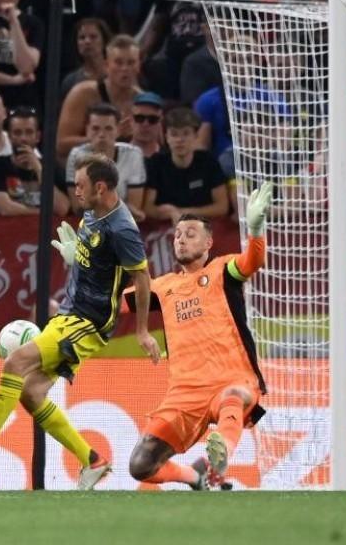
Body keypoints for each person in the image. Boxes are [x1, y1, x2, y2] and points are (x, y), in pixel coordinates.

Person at [0, 154, 158, 490]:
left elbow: (143, 279)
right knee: (30, 393)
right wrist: (79, 260)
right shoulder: (92, 213)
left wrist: (144, 330)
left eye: (81, 185)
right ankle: (93, 461)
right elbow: (100, 264)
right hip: (71, 313)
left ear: (100, 187)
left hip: (87, 323)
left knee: (15, 363)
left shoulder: (122, 229)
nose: (76, 190)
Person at [125, 184, 273, 490]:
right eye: (178, 235)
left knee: (234, 396)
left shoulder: (222, 270)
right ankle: (197, 477)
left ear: (209, 242)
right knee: (140, 466)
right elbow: (117, 304)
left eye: (190, 233)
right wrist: (84, 270)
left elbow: (252, 263)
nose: (181, 239)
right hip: (183, 395)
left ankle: (222, 457)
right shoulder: (163, 286)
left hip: (230, 379)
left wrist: (256, 230)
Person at [57, 35, 144, 162]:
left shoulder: (144, 102)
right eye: (118, 62)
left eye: (131, 63)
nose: (125, 68)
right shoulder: (84, 93)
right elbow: (61, 145)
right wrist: (108, 136)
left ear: (138, 66)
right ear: (106, 65)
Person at [144, 107, 229, 223]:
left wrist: (181, 213)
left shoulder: (209, 161)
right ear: (166, 137)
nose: (180, 140)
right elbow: (148, 208)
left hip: (204, 225)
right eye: (174, 134)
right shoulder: (156, 163)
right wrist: (171, 214)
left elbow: (222, 207)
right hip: (164, 227)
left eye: (186, 133)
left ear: (195, 136)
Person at [0, 106, 69, 216]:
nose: (23, 138)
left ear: (37, 136)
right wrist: (46, 214)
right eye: (17, 133)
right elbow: (5, 209)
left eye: (29, 132)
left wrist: (38, 168)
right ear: (9, 136)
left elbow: (62, 209)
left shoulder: (50, 167)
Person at [66, 103, 145, 220]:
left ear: (118, 130)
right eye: (95, 128)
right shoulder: (76, 155)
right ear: (87, 130)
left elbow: (134, 210)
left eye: (108, 128)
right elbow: (78, 207)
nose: (102, 135)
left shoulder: (133, 155)